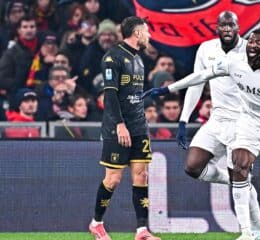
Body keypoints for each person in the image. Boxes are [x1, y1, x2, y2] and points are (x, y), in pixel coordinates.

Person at [143, 26, 260, 240]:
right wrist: (168, 89)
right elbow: (202, 75)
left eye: (257, 42)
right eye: (250, 40)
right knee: (239, 165)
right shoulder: (235, 61)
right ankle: (247, 232)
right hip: (249, 122)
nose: (251, 44)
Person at [172, 11, 260, 240]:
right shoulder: (206, 49)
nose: (227, 29)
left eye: (231, 25)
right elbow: (196, 84)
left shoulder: (252, 50)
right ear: (217, 27)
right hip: (217, 120)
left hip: (243, 121)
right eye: (223, 25)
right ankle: (237, 183)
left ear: (238, 27)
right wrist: (184, 119)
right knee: (193, 166)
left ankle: (247, 233)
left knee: (239, 173)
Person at [88, 16, 160, 240]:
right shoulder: (112, 57)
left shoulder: (139, 59)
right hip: (117, 127)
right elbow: (109, 96)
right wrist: (120, 125)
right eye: (147, 31)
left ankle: (142, 231)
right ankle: (96, 223)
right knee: (113, 179)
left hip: (139, 126)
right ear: (137, 33)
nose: (149, 36)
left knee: (142, 175)